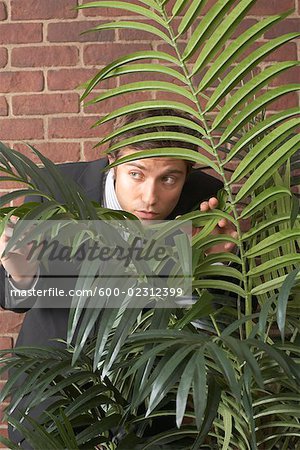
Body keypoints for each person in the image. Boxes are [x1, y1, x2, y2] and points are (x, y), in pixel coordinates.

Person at [0, 108, 236, 447]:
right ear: (113, 162)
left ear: (187, 172)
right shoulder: (55, 189)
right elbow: (16, 300)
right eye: (136, 174)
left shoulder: (205, 201)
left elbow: (225, 322)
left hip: (156, 408)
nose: (150, 197)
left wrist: (218, 269)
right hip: (54, 397)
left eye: (169, 179)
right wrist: (21, 274)